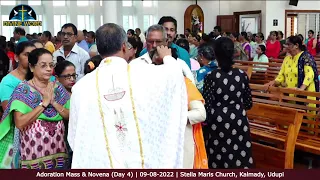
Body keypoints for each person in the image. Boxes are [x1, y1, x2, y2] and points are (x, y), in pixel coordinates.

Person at [68, 23, 188, 168]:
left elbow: (75, 138)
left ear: (98, 49)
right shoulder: (144, 74)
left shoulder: (81, 87)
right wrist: (167, 57)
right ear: (124, 46)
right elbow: (174, 76)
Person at [131, 25, 206, 169]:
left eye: (158, 42)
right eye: (150, 42)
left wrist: (172, 118)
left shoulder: (179, 66)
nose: (154, 46)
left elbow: (198, 110)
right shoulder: (136, 66)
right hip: (148, 138)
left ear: (166, 42)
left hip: (178, 139)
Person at [0, 48, 70, 169]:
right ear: (32, 67)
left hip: (59, 154)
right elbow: (20, 123)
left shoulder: (58, 88)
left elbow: (70, 115)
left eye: (51, 65)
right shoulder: (23, 90)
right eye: (43, 65)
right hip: (32, 157)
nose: (49, 69)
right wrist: (43, 104)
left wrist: (53, 102)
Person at [203, 37, 253, 169]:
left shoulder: (211, 76)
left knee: (218, 158)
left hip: (218, 123)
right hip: (238, 120)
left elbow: (207, 106)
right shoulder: (242, 75)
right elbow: (248, 103)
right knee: (240, 158)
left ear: (216, 54)